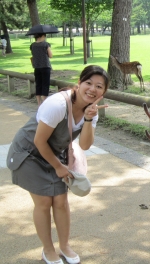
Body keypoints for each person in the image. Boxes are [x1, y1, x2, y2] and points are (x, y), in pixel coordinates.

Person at [6, 65, 110, 264]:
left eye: (99, 86)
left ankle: (65, 246)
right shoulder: (57, 104)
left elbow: (86, 144)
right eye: (88, 83)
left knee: (61, 202)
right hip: (29, 153)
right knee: (44, 202)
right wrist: (59, 167)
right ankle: (48, 250)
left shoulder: (92, 111)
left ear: (103, 92)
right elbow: (39, 141)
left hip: (54, 154)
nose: (92, 89)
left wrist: (88, 118)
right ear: (79, 83)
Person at [30, 33, 53, 106]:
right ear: (42, 36)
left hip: (37, 67)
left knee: (38, 84)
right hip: (45, 66)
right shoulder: (46, 44)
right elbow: (50, 55)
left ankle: (39, 103)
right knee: (45, 84)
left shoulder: (32, 45)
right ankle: (45, 102)